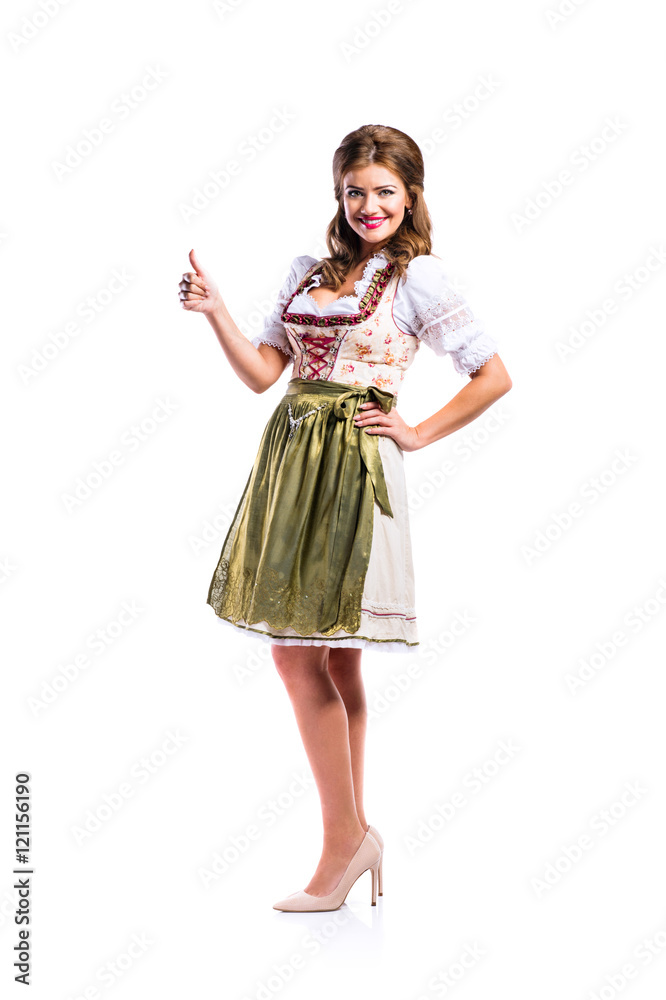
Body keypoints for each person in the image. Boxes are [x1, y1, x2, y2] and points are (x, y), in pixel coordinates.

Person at [178, 123, 512, 912]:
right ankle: (356, 835)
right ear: (340, 194)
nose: (369, 206)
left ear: (411, 197)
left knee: (299, 658)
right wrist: (215, 311)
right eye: (356, 191)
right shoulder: (309, 272)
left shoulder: (417, 281)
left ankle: (342, 847)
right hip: (289, 463)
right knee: (333, 660)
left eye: (385, 192)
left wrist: (417, 431)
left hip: (353, 472)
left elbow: (494, 374)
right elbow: (265, 374)